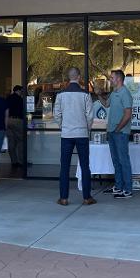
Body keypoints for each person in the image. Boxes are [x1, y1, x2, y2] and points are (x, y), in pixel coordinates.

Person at [53, 68, 96, 206]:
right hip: (82, 134)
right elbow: (90, 116)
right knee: (85, 166)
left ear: (69, 77)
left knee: (64, 166)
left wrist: (63, 126)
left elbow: (57, 114)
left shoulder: (61, 95)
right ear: (79, 77)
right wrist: (86, 128)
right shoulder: (85, 94)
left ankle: (63, 198)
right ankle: (87, 197)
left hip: (66, 134)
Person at [106, 69, 134, 199]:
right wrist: (99, 94)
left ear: (118, 79)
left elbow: (128, 114)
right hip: (112, 132)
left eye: (112, 78)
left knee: (123, 161)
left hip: (121, 133)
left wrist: (118, 129)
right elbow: (106, 104)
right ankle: (118, 187)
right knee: (116, 160)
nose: (110, 80)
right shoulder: (114, 93)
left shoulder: (125, 93)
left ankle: (127, 190)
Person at [5, 85, 26, 170]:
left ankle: (14, 161)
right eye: (21, 91)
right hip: (17, 121)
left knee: (11, 142)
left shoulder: (8, 98)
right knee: (21, 141)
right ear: (18, 90)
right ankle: (21, 161)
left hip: (8, 120)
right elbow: (23, 111)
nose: (22, 92)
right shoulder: (20, 99)